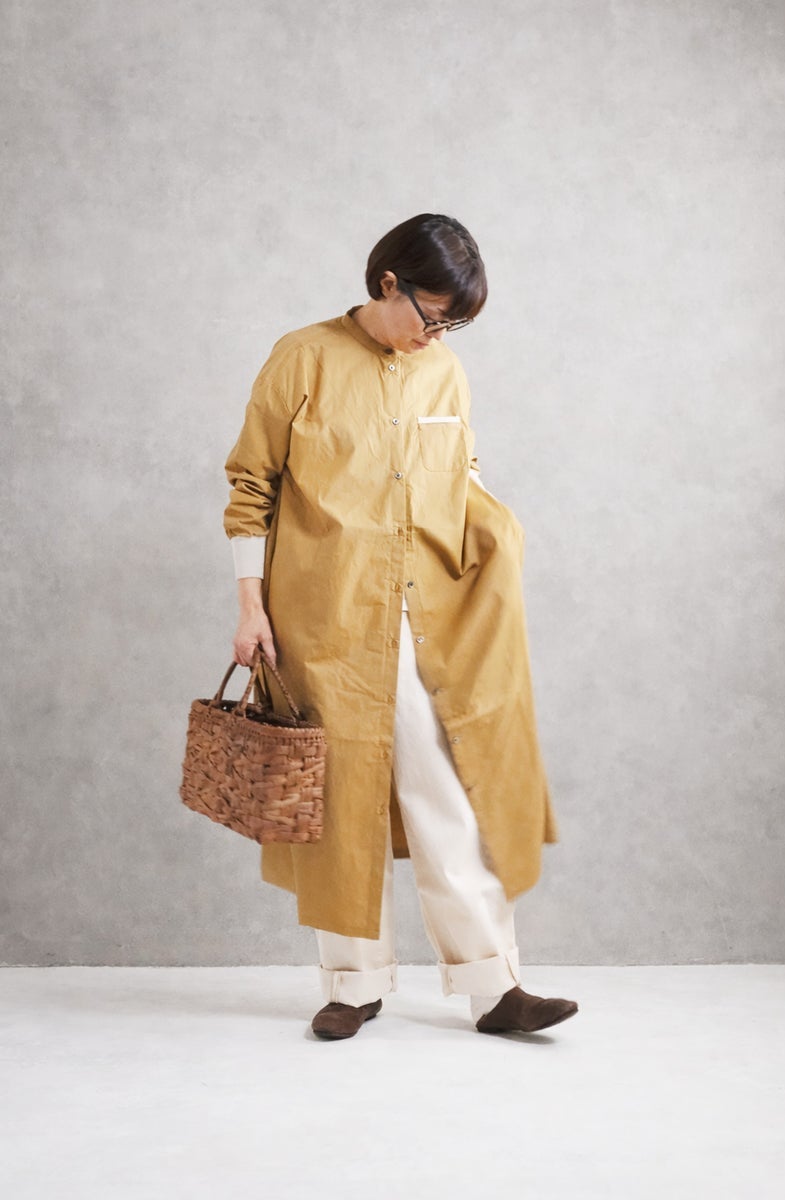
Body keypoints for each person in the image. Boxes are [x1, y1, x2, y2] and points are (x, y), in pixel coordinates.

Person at [222, 213, 578, 1039]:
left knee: (446, 793)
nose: (436, 336)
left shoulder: (443, 370)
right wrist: (250, 607)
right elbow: (251, 485)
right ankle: (352, 985)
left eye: (452, 325)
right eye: (433, 316)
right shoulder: (302, 358)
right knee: (338, 803)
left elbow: (459, 474)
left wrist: (498, 530)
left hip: (426, 620)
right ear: (389, 283)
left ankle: (494, 987)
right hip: (326, 622)